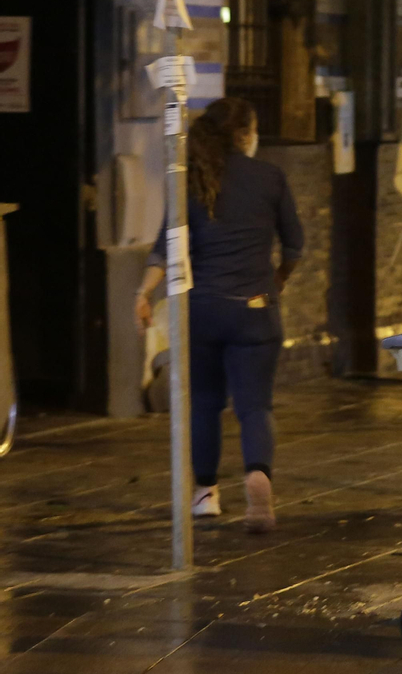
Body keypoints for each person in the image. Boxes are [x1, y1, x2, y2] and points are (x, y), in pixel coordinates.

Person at [135, 98, 302, 533]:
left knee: (205, 405)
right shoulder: (270, 177)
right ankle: (258, 474)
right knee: (255, 407)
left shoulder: (189, 180)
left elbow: (165, 247)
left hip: (202, 310)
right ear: (246, 134)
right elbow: (295, 245)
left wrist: (144, 293)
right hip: (256, 309)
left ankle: (206, 494)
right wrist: (277, 279)